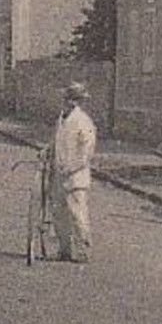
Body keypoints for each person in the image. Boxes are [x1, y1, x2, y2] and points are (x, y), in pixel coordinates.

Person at [49, 82, 98, 263]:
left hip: (76, 176)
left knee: (78, 214)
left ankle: (83, 251)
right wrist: (47, 151)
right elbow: (56, 141)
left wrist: (72, 167)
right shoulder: (61, 118)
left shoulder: (83, 121)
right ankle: (64, 250)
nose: (71, 103)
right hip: (59, 174)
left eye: (76, 100)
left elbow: (87, 151)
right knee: (59, 213)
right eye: (69, 99)